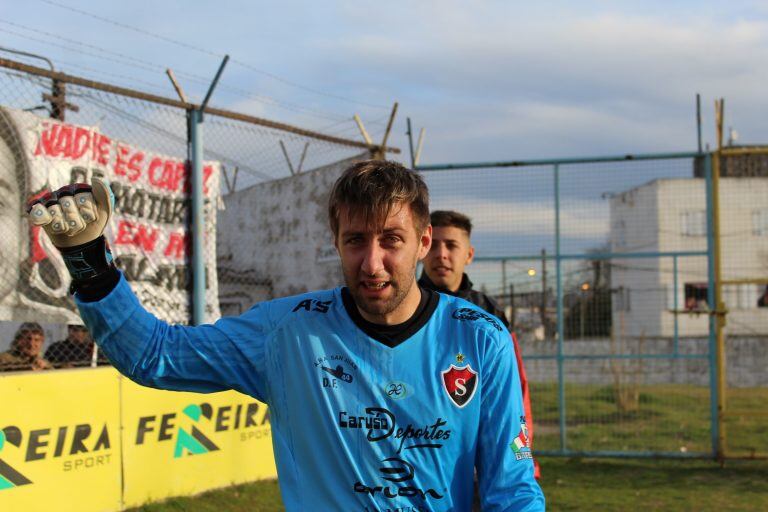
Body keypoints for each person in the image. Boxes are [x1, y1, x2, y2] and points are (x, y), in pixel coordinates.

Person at [29, 161, 545, 511]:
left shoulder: (480, 338)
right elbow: (156, 355)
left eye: (391, 240)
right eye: (355, 241)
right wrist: (90, 264)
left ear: (423, 241)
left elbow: (511, 486)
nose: (372, 262)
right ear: (336, 242)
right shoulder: (287, 332)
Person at [419, 210, 540, 487]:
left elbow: (517, 390)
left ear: (469, 254)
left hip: (480, 454)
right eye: (434, 244)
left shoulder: (489, 314)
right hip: (424, 457)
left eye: (451, 245)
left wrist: (522, 453)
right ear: (421, 248)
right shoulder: (403, 308)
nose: (441, 254)